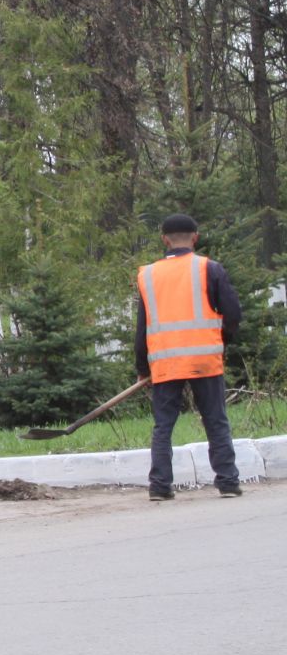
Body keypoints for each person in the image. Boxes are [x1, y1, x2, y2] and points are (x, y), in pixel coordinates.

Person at [135, 213, 242, 500]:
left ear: (164, 240)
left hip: (165, 362)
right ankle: (228, 483)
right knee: (215, 420)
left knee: (163, 426)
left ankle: (159, 487)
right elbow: (233, 314)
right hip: (204, 359)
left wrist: (142, 368)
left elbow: (142, 327)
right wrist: (221, 341)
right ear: (195, 237)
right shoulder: (210, 268)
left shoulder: (148, 275)